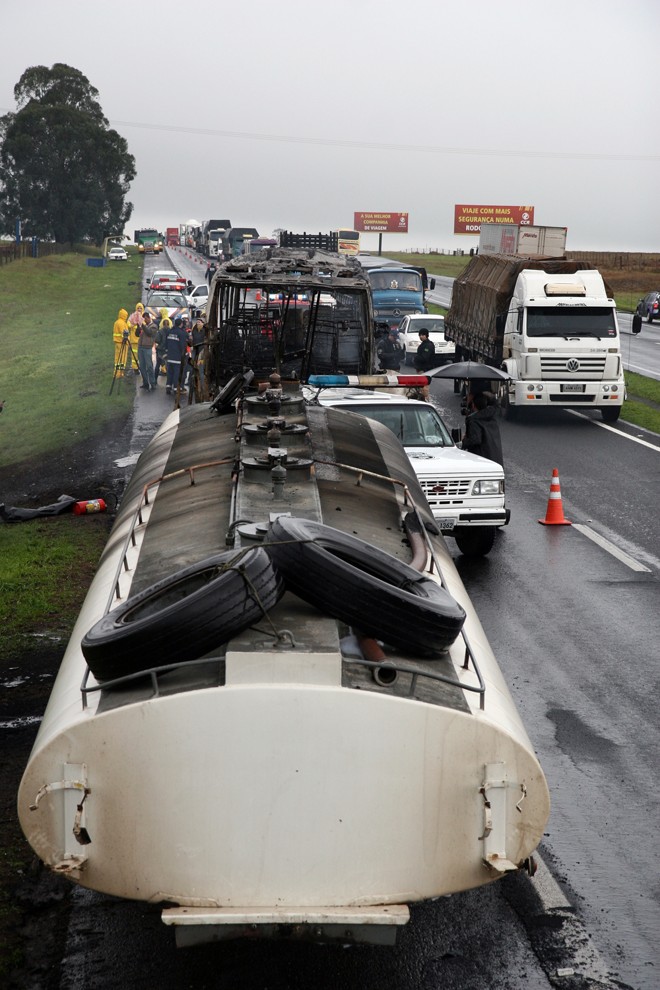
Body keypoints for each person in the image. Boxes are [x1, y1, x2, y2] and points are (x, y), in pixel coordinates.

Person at [462, 391, 504, 466]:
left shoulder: (474, 420)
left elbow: (475, 440)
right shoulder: (494, 413)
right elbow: (497, 404)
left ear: (473, 405)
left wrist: (464, 442)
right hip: (496, 461)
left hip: (482, 461)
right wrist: (487, 393)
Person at [165, 317, 188, 394]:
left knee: (170, 372)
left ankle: (168, 386)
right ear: (181, 324)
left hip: (170, 356)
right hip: (177, 357)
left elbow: (166, 343)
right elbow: (182, 345)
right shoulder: (181, 333)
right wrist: (184, 354)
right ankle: (175, 388)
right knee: (176, 373)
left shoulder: (169, 331)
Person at [137, 312, 157, 391]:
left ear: (148, 318)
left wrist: (142, 325)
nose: (144, 320)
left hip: (147, 348)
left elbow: (149, 333)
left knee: (149, 366)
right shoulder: (143, 326)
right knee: (142, 367)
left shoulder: (154, 326)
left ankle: (152, 383)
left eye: (145, 318)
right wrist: (138, 326)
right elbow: (137, 334)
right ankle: (145, 383)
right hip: (140, 347)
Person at [112, 308, 130, 378]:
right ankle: (120, 373)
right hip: (122, 343)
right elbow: (124, 334)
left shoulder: (116, 322)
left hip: (117, 342)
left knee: (117, 359)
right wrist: (128, 341)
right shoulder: (122, 323)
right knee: (122, 359)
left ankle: (116, 373)